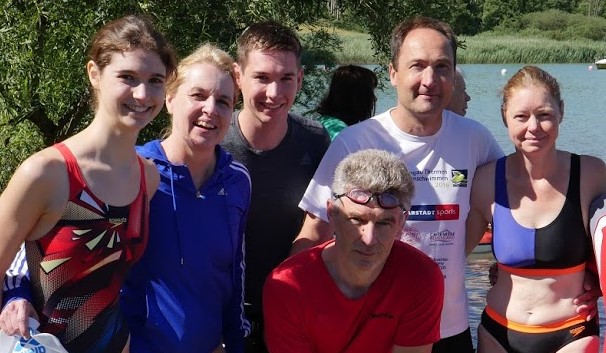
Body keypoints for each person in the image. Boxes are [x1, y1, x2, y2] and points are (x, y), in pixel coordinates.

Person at [2, 44, 251, 352]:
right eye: (198, 95)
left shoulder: (238, 179)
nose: (211, 109)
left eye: (224, 101)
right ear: (170, 99)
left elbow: (235, 273)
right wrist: (17, 295)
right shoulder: (135, 173)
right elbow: (43, 240)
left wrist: (235, 343)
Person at [292, 16, 504, 353]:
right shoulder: (354, 141)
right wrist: (300, 312)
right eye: (417, 66)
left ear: (453, 74)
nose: (429, 80)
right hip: (371, 331)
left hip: (449, 330)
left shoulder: (475, 138)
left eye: (442, 67)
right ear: (393, 73)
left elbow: (519, 205)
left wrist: (522, 269)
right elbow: (312, 235)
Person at [0, 14, 176, 353]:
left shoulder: (148, 178)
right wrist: (14, 298)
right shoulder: (46, 173)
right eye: (127, 77)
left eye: (155, 80)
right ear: (94, 74)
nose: (143, 93)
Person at [466, 65, 606, 353]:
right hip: (498, 333)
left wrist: (596, 277)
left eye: (544, 115)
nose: (533, 127)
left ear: (561, 112)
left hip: (572, 333)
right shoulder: (485, 181)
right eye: (521, 116)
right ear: (505, 116)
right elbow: (453, 256)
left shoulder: (591, 174)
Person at [219, 21, 331, 352]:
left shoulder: (314, 141)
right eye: (262, 77)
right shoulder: (213, 142)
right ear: (237, 76)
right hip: (220, 312)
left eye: (286, 79)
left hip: (290, 309)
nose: (274, 93)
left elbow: (323, 224)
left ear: (300, 78)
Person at [264, 149, 444, 353]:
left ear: (402, 222)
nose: (369, 239)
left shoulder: (421, 276)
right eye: (357, 220)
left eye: (384, 223)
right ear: (332, 213)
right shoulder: (288, 285)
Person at [314, 65, 378, 139]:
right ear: (356, 97)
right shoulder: (341, 133)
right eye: (370, 93)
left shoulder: (324, 122)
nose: (375, 99)